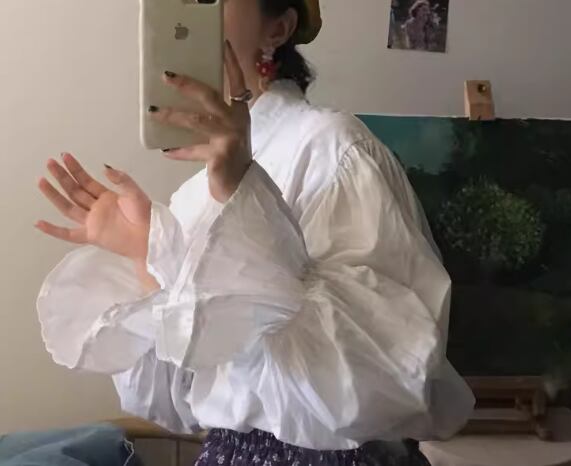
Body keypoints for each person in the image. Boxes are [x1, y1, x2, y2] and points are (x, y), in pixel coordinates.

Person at [35, 0, 474, 464]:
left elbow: (382, 379)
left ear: (278, 29)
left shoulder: (335, 148)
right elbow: (178, 401)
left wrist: (241, 191)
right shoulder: (196, 192)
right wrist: (148, 253)